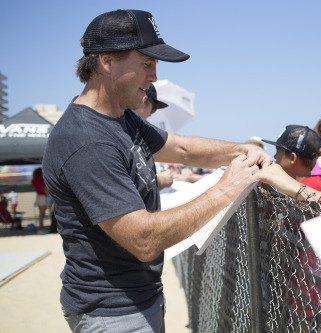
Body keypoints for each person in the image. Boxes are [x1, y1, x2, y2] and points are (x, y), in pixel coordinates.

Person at [42, 9, 272, 333]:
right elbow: (143, 239)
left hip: (140, 297)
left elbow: (182, 148)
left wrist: (243, 150)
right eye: (147, 64)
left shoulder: (119, 115)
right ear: (107, 62)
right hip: (112, 312)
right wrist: (225, 187)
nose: (153, 77)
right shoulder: (86, 140)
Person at [262, 125, 321, 192]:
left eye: (278, 151)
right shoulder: (307, 185)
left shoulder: (307, 190)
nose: (274, 156)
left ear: (292, 158)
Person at [31, 167, 49, 234]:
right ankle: (41, 228)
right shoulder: (42, 180)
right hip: (42, 197)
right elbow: (45, 189)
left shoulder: (34, 181)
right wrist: (49, 197)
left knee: (40, 214)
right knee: (42, 214)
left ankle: (41, 228)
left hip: (38, 197)